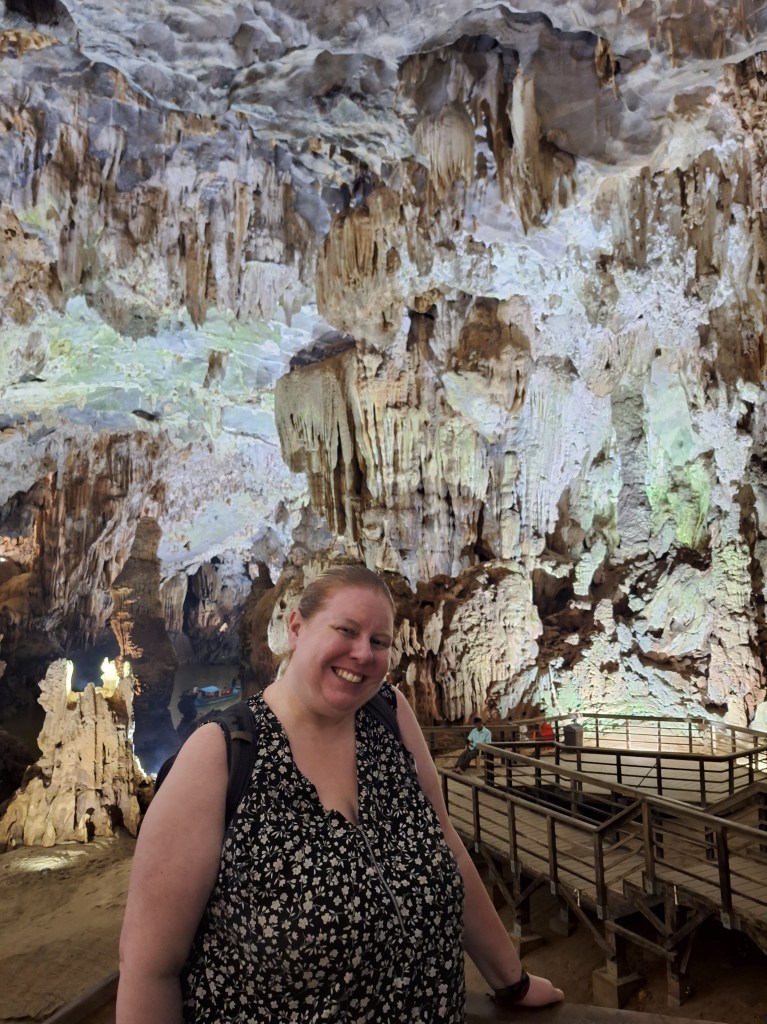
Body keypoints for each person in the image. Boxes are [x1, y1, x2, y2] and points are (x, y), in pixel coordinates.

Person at [117, 564, 564, 1023]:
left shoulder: (389, 715)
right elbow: (148, 969)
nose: (363, 653)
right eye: (346, 631)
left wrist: (512, 981)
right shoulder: (220, 754)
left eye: (379, 641)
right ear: (296, 627)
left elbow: (445, 846)